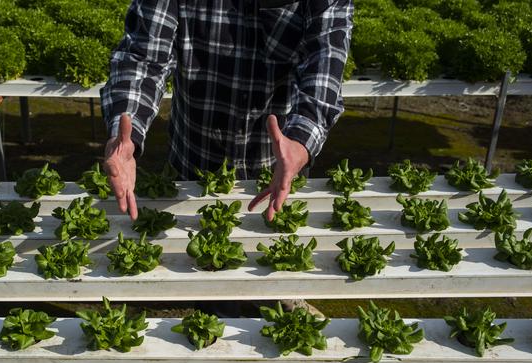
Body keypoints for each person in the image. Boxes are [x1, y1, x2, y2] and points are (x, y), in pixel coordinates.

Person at [100, 0, 354, 221]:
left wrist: (301, 141)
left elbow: (325, 60)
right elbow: (143, 59)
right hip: (192, 163)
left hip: (279, 169)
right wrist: (126, 133)